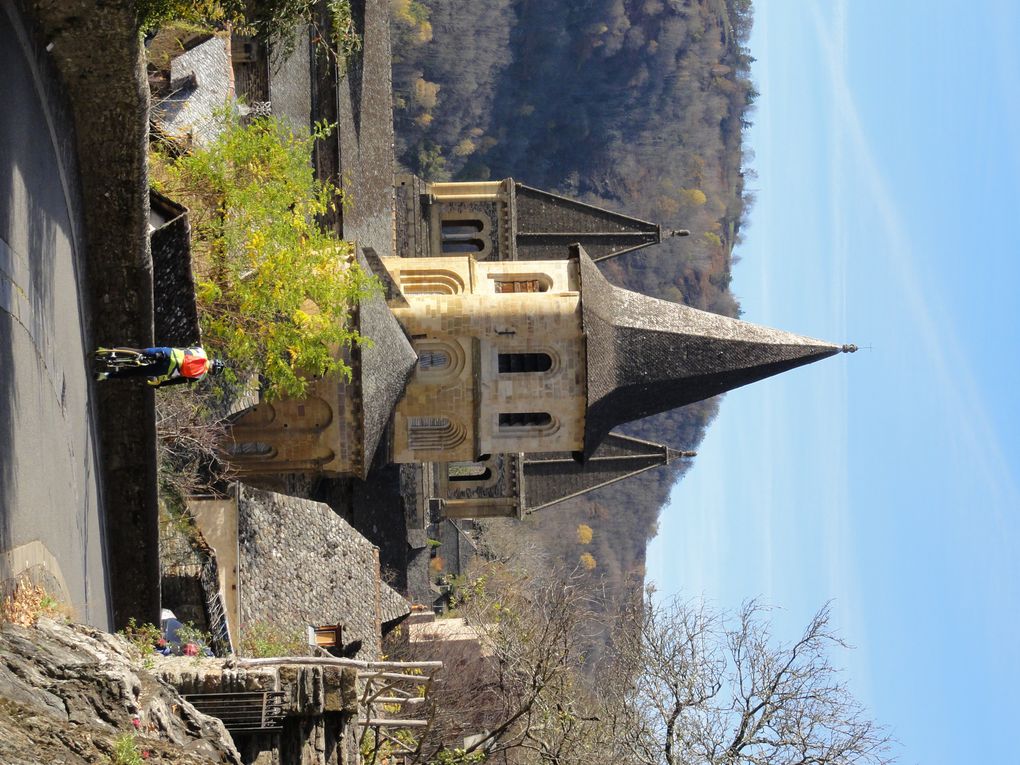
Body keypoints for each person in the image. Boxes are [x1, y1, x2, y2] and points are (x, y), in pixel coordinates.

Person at [96, 346, 224, 387]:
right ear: (211, 373)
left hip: (168, 353)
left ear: (212, 360)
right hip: (166, 369)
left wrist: (167, 350)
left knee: (140, 352)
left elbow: (183, 349)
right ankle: (106, 375)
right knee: (136, 372)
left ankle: (108, 350)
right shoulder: (200, 376)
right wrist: (160, 384)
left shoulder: (201, 351)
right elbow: (178, 380)